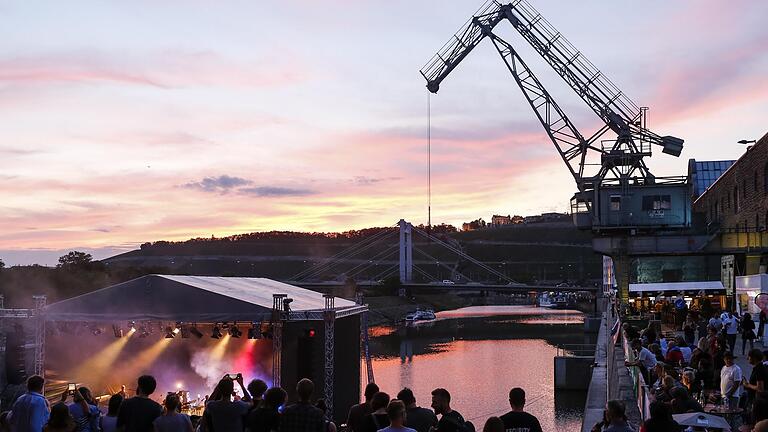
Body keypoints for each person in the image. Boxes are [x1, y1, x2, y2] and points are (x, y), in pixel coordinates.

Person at [743, 349, 767, 417]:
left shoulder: (759, 370)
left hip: (756, 400)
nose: (747, 358)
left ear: (754, 358)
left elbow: (760, 388)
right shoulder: (759, 368)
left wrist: (748, 385)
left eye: (749, 357)